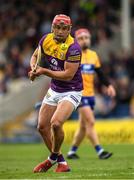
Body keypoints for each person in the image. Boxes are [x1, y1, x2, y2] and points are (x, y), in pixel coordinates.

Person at [28, 14, 83, 173]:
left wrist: (43, 71)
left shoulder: (74, 48)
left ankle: (51, 158)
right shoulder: (46, 39)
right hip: (55, 89)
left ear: (69, 30)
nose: (60, 31)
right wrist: (33, 68)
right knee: (42, 127)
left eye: (64, 28)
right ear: (52, 28)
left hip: (72, 90)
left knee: (56, 123)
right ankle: (60, 161)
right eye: (57, 28)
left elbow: (68, 75)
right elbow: (35, 56)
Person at [67, 28, 116, 160]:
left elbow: (100, 73)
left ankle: (72, 151)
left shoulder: (93, 55)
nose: (84, 40)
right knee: (91, 121)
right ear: (76, 41)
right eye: (81, 38)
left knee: (83, 126)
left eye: (86, 37)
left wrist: (109, 85)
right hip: (78, 94)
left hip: (90, 94)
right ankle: (100, 151)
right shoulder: (73, 55)